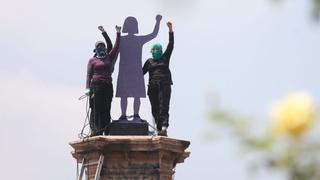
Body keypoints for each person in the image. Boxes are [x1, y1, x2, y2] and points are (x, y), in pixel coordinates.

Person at [116, 15, 162, 120]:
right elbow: (114, 51)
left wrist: (158, 21)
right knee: (125, 95)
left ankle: (134, 115)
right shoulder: (122, 40)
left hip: (134, 71)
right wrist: (158, 21)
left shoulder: (129, 39)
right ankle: (125, 115)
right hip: (127, 71)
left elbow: (153, 34)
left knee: (134, 95)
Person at [85, 25, 121, 136]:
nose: (101, 48)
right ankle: (95, 130)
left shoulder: (109, 57)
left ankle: (106, 129)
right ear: (95, 49)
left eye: (103, 46)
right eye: (99, 46)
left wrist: (118, 33)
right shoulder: (92, 60)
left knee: (106, 108)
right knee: (96, 108)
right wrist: (87, 87)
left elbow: (115, 47)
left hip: (107, 85)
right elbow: (89, 74)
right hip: (96, 86)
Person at [143, 22, 174, 136]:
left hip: (164, 85)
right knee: (154, 108)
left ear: (160, 50)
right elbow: (140, 72)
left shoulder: (165, 58)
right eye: (154, 49)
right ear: (151, 51)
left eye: (158, 49)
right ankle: (159, 128)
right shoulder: (149, 61)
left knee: (163, 106)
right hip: (152, 86)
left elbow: (171, 45)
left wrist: (170, 30)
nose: (156, 51)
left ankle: (164, 127)